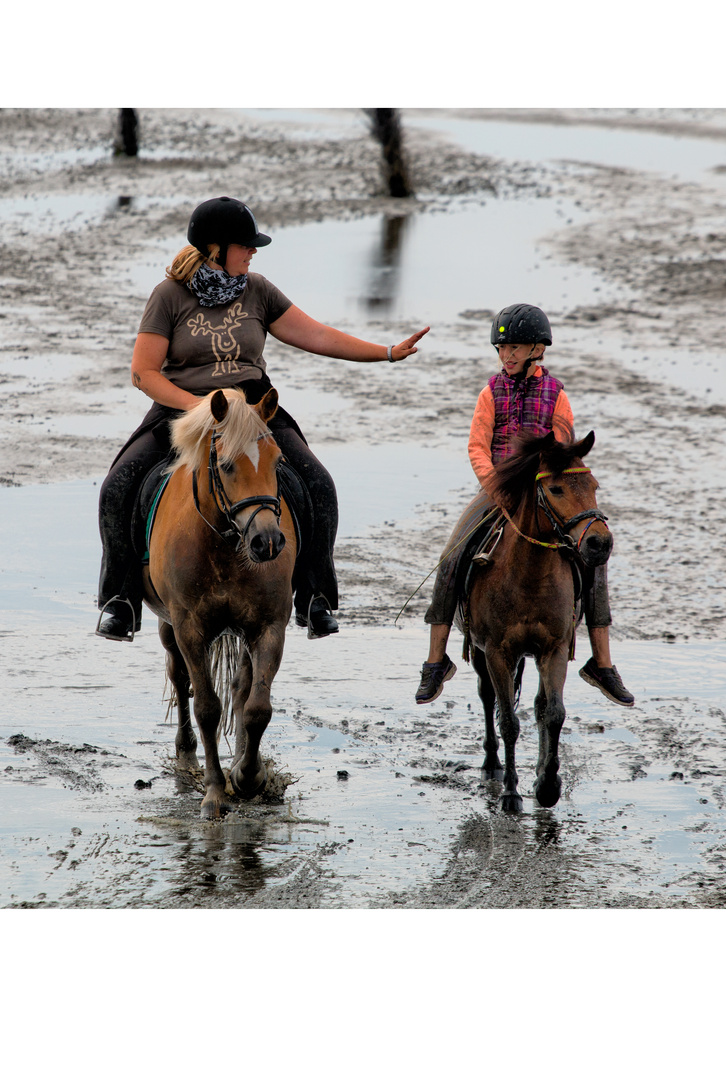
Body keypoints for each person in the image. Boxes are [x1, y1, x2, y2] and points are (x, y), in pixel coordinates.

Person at [97, 196, 428, 642]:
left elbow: (317, 334)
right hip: (185, 409)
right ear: (215, 248)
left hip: (253, 410)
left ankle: (314, 598)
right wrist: (198, 407)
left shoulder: (258, 290)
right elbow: (144, 372)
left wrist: (385, 352)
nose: (254, 252)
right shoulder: (168, 297)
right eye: (246, 245)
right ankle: (120, 600)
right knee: (118, 486)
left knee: (317, 484)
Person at [414, 304, 633, 708]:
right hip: (498, 490)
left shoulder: (557, 394)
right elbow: (477, 446)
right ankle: (436, 659)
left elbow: (562, 441)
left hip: (545, 491)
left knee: (594, 561)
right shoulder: (489, 392)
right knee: (452, 553)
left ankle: (601, 662)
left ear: (537, 349)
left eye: (514, 347)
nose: (506, 356)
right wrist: (495, 487)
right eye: (501, 348)